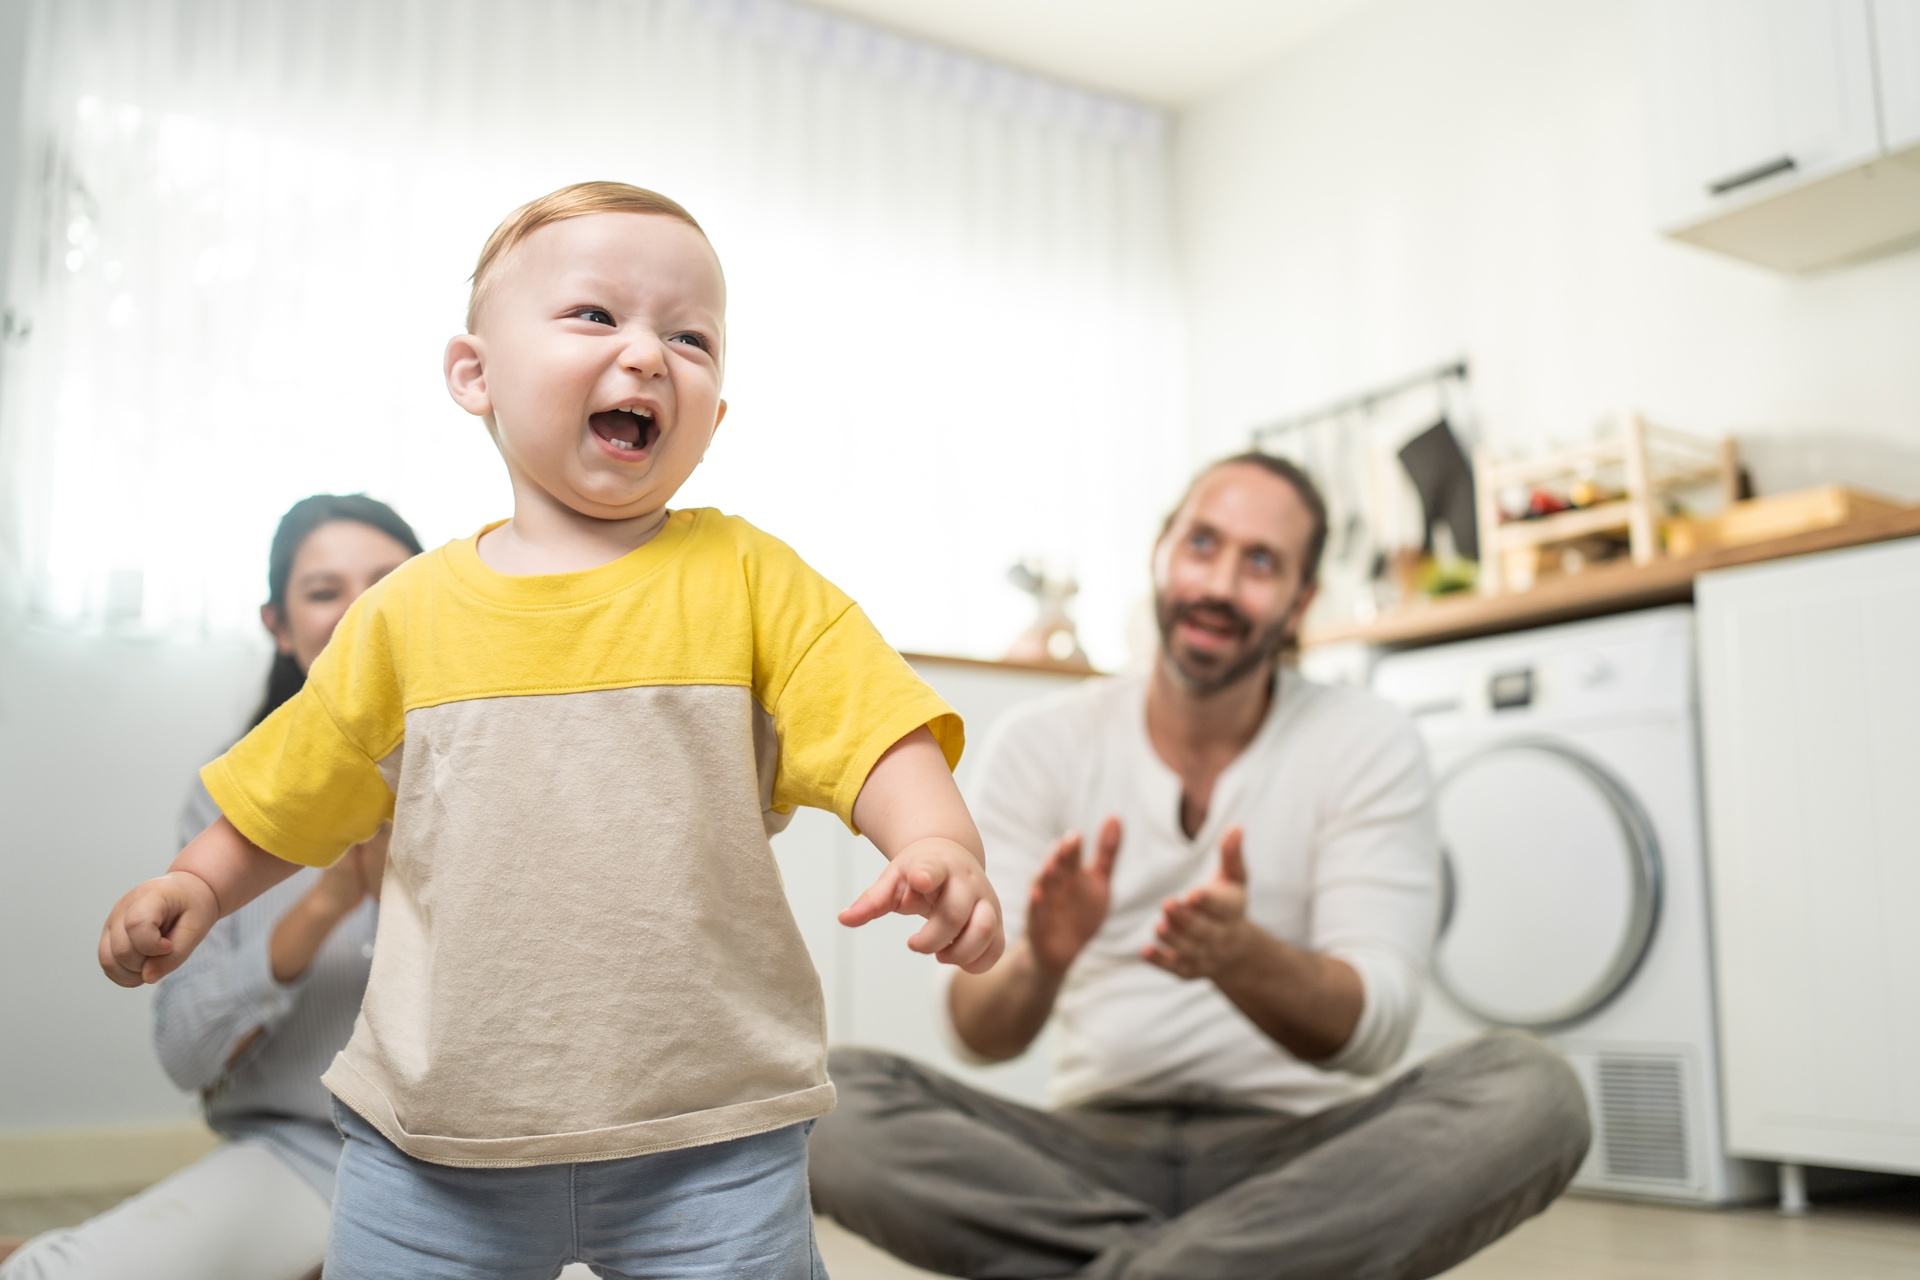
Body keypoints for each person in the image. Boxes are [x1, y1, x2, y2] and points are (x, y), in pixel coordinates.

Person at [93, 181, 1005, 1280]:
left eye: (690, 335)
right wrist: (197, 882)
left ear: (714, 418)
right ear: (474, 372)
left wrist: (937, 841)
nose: (648, 353)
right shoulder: (407, 615)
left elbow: (872, 722)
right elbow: (292, 786)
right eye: (594, 315)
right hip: (432, 1142)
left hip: (709, 1133)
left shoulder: (751, 579)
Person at [811, 453, 1593, 1280]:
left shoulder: (1366, 742)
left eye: (1261, 563)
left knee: (1534, 1091)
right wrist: (1044, 954)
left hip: (1300, 1166)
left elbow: (1375, 1034)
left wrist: (1242, 960)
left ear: (1301, 601)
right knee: (832, 1100)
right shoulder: (1044, 743)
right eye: (1203, 545)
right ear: (1160, 554)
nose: (1219, 583)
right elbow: (976, 1035)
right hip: (1080, 1158)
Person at [2, 494, 420, 1280]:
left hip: (493, 1161)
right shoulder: (227, 809)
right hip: (305, 1153)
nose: (362, 614)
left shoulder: (493, 768)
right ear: (280, 623)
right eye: (325, 591)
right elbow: (187, 1053)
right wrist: (325, 899)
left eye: (389, 586)